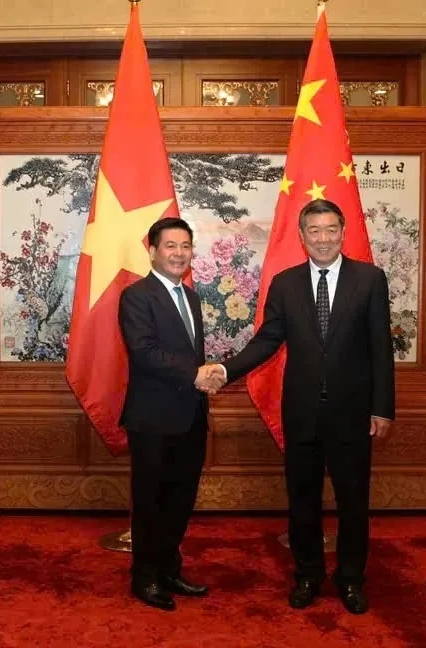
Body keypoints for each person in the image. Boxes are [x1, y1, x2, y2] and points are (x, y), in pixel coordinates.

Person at [204, 198, 395, 614]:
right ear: (303, 236)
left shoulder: (369, 280)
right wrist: (225, 368)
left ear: (343, 232)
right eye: (315, 231)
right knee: (302, 501)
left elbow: (381, 350)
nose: (323, 239)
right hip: (302, 413)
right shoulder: (286, 283)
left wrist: (382, 409)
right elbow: (267, 341)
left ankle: (350, 578)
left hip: (353, 414)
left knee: (353, 503)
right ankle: (308, 575)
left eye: (330, 230)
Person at [118, 217, 222, 612]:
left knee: (181, 499)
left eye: (185, 246)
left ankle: (169, 569)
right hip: (152, 419)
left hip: (191, 416)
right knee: (150, 501)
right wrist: (195, 373)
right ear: (153, 251)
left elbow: (187, 355)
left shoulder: (191, 297)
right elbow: (143, 351)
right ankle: (143, 577)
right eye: (170, 246)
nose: (179, 253)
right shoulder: (137, 296)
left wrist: (206, 376)